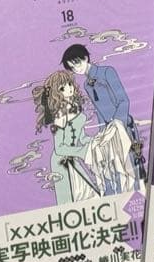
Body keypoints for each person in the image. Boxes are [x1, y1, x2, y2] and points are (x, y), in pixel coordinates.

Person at [61, 45, 145, 188]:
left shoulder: (107, 72)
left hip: (123, 125)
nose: (77, 69)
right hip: (108, 131)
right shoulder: (87, 85)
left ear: (85, 58)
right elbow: (99, 111)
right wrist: (103, 132)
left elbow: (123, 100)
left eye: (77, 64)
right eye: (72, 68)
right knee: (117, 169)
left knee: (132, 166)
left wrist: (117, 124)